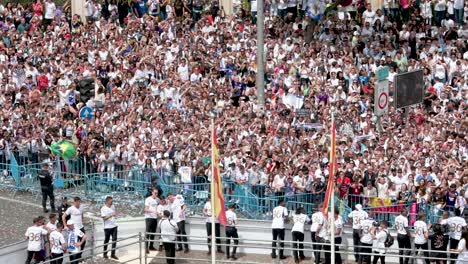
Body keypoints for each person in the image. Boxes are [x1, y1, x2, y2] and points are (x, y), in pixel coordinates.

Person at [144, 188, 160, 253]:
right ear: (152, 192)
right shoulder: (148, 199)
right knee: (148, 233)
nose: (156, 194)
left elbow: (162, 204)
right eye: (155, 193)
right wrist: (153, 211)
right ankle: (146, 248)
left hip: (155, 218)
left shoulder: (158, 199)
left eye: (157, 193)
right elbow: (145, 209)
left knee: (153, 233)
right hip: (149, 218)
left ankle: (151, 246)